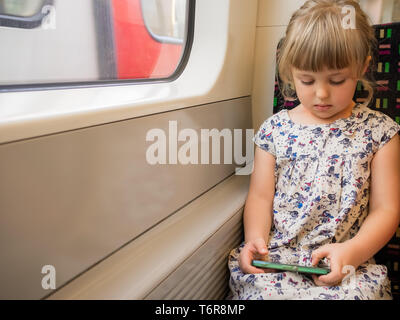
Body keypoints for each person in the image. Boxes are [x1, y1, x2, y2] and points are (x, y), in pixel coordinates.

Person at [228, 0, 400, 300]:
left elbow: (386, 210)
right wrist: (254, 240)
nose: (321, 93)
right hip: (278, 261)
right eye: (307, 80)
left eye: (337, 80)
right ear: (290, 72)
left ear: (362, 67)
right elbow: (260, 196)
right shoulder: (274, 130)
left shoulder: (380, 132)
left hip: (346, 264)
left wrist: (352, 252)